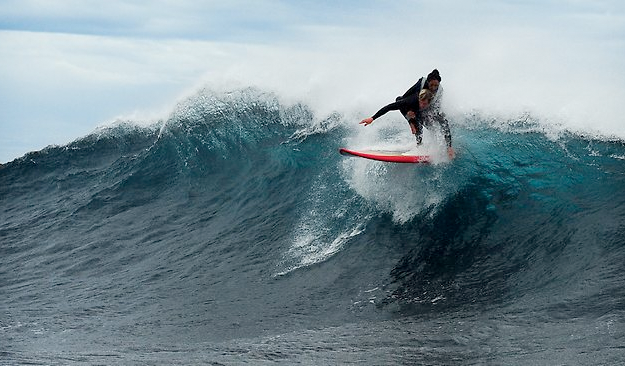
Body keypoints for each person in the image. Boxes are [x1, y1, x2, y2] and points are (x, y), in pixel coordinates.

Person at [360, 69, 455, 159]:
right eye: (432, 85)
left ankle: (445, 148)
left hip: (428, 109)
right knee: (413, 116)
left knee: (435, 125)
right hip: (413, 105)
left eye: (436, 86)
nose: (434, 88)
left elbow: (444, 124)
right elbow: (390, 107)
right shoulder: (415, 95)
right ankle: (419, 145)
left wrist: (449, 147)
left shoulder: (437, 97)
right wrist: (372, 118)